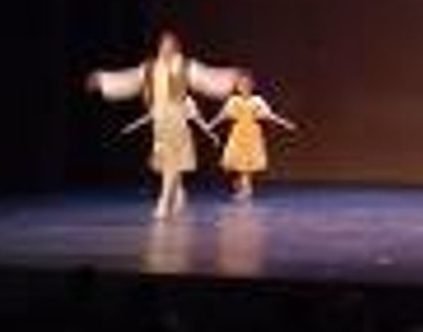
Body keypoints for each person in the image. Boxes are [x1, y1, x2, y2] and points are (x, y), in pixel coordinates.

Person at [86, 31, 240, 218]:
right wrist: (102, 80)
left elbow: (207, 77)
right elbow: (130, 79)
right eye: (163, 44)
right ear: (159, 47)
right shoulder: (150, 67)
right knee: (169, 159)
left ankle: (164, 200)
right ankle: (178, 190)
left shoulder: (185, 66)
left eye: (170, 44)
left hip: (177, 118)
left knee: (171, 159)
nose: (167, 48)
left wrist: (231, 78)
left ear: (176, 47)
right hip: (160, 120)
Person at [208, 72, 297, 201]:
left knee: (246, 165)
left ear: (251, 86)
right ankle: (241, 184)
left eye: (247, 85)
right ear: (237, 87)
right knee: (237, 163)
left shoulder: (257, 100)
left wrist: (285, 123)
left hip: (252, 134)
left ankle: (246, 190)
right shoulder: (233, 101)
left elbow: (269, 115)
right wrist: (210, 125)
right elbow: (222, 115)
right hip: (238, 134)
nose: (244, 87)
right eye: (241, 85)